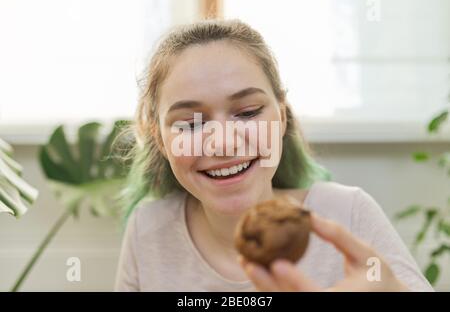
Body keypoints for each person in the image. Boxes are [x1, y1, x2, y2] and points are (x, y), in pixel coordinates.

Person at [114, 19, 433, 292]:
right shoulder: (147, 229)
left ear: (281, 116)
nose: (223, 144)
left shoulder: (349, 213)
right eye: (190, 123)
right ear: (158, 137)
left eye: (248, 112)